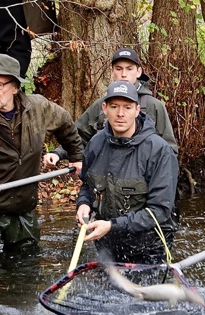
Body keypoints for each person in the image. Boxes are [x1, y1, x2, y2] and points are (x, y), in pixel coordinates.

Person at [0, 54, 84, 256]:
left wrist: (76, 156)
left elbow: (65, 124)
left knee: (26, 266)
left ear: (15, 87)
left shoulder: (38, 108)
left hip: (23, 208)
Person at [76, 80, 178, 264]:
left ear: (137, 110)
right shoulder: (95, 144)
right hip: (107, 244)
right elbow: (86, 185)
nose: (120, 114)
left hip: (149, 249)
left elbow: (160, 211)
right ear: (104, 108)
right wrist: (83, 204)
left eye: (127, 107)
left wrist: (112, 225)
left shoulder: (160, 151)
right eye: (114, 106)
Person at [44, 48, 178, 166]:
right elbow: (79, 135)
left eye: (129, 69)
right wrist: (58, 153)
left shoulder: (154, 106)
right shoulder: (101, 104)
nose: (124, 74)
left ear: (138, 72)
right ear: (112, 72)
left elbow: (169, 151)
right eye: (119, 69)